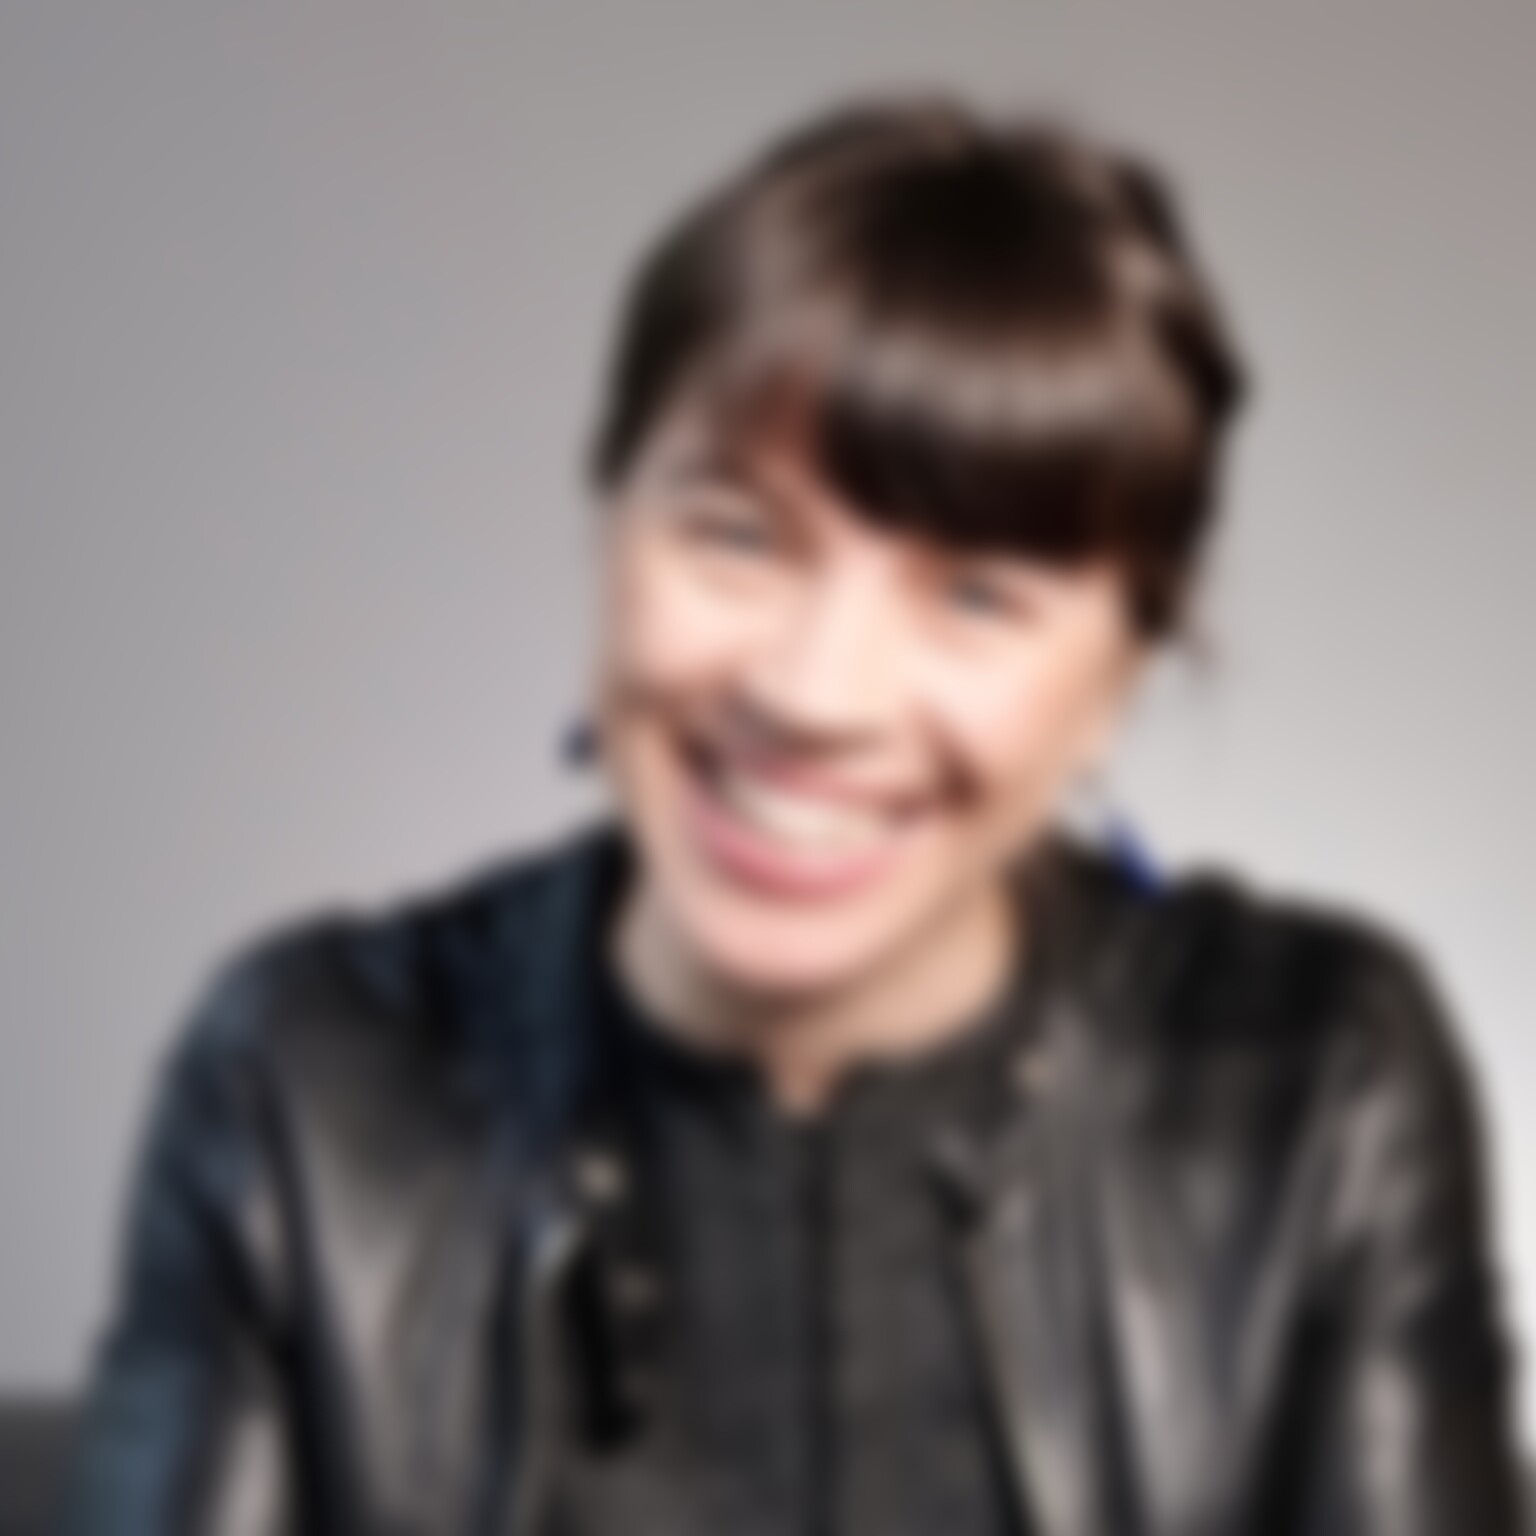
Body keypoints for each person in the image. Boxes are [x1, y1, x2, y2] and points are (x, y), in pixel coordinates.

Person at [62, 95, 1526, 1535]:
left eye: (978, 597)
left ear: (1116, 683)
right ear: (606, 526)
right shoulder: (304, 1089)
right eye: (739, 537)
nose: (820, 695)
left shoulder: (1317, 1085)